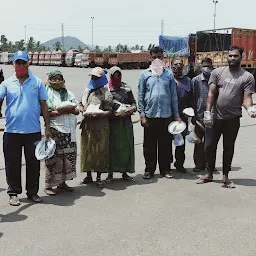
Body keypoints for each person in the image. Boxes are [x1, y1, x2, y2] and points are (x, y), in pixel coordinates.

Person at [197, 46, 256, 187]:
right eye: (230, 56)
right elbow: (211, 93)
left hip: (232, 119)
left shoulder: (247, 77)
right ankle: (209, 173)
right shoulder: (218, 72)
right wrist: (207, 112)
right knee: (209, 146)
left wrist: (250, 109)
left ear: (241, 57)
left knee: (228, 148)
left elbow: (247, 97)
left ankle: (225, 176)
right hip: (215, 118)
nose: (232, 58)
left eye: (235, 56)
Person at [0, 51, 51, 206]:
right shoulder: (6, 84)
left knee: (33, 164)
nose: (21, 66)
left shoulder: (37, 83)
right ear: (13, 64)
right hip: (11, 131)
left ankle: (32, 192)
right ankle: (13, 192)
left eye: (23, 63)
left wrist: (47, 127)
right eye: (18, 63)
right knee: (12, 163)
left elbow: (44, 105)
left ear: (28, 63)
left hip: (33, 131)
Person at [138, 46, 180, 179]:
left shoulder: (168, 75)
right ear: (150, 58)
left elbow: (173, 96)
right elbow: (140, 96)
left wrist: (177, 116)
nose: (157, 59)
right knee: (149, 146)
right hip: (150, 116)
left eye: (159, 57)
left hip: (166, 116)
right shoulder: (144, 75)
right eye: (154, 57)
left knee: (166, 144)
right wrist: (142, 115)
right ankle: (149, 170)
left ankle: (165, 169)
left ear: (163, 58)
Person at [44, 70, 79, 195]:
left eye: (60, 78)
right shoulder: (46, 94)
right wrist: (59, 112)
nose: (57, 81)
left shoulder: (68, 94)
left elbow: (77, 110)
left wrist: (70, 109)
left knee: (66, 158)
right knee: (53, 157)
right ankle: (48, 185)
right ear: (50, 80)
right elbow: (44, 112)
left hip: (68, 130)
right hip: (54, 129)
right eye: (55, 79)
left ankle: (62, 183)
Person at [80, 67, 113, 187]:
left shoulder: (106, 93)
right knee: (87, 150)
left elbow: (109, 111)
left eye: (96, 77)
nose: (93, 79)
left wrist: (99, 114)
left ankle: (99, 176)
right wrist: (83, 110)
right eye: (92, 77)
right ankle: (88, 175)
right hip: (87, 124)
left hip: (100, 126)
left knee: (100, 151)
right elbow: (81, 103)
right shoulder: (88, 90)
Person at [106, 66, 137, 182]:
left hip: (126, 124)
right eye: (115, 77)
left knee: (126, 148)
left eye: (119, 76)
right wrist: (114, 114)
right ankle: (110, 174)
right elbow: (103, 106)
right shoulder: (107, 90)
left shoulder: (127, 88)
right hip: (113, 124)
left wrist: (131, 109)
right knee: (112, 148)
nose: (117, 79)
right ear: (111, 77)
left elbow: (134, 103)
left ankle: (125, 172)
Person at [171, 57, 193, 173]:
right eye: (175, 64)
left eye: (180, 64)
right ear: (171, 66)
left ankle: (179, 164)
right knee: (166, 142)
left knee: (180, 143)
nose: (178, 66)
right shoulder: (167, 79)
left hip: (182, 117)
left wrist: (190, 112)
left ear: (183, 67)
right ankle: (166, 165)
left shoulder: (188, 81)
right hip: (168, 117)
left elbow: (191, 98)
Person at [191, 58, 214, 172]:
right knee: (198, 142)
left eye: (209, 66)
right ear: (201, 66)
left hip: (212, 116)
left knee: (210, 143)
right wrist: (194, 116)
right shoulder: (195, 80)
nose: (207, 68)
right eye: (205, 66)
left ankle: (209, 165)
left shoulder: (215, 80)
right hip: (199, 115)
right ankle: (198, 165)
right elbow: (193, 98)